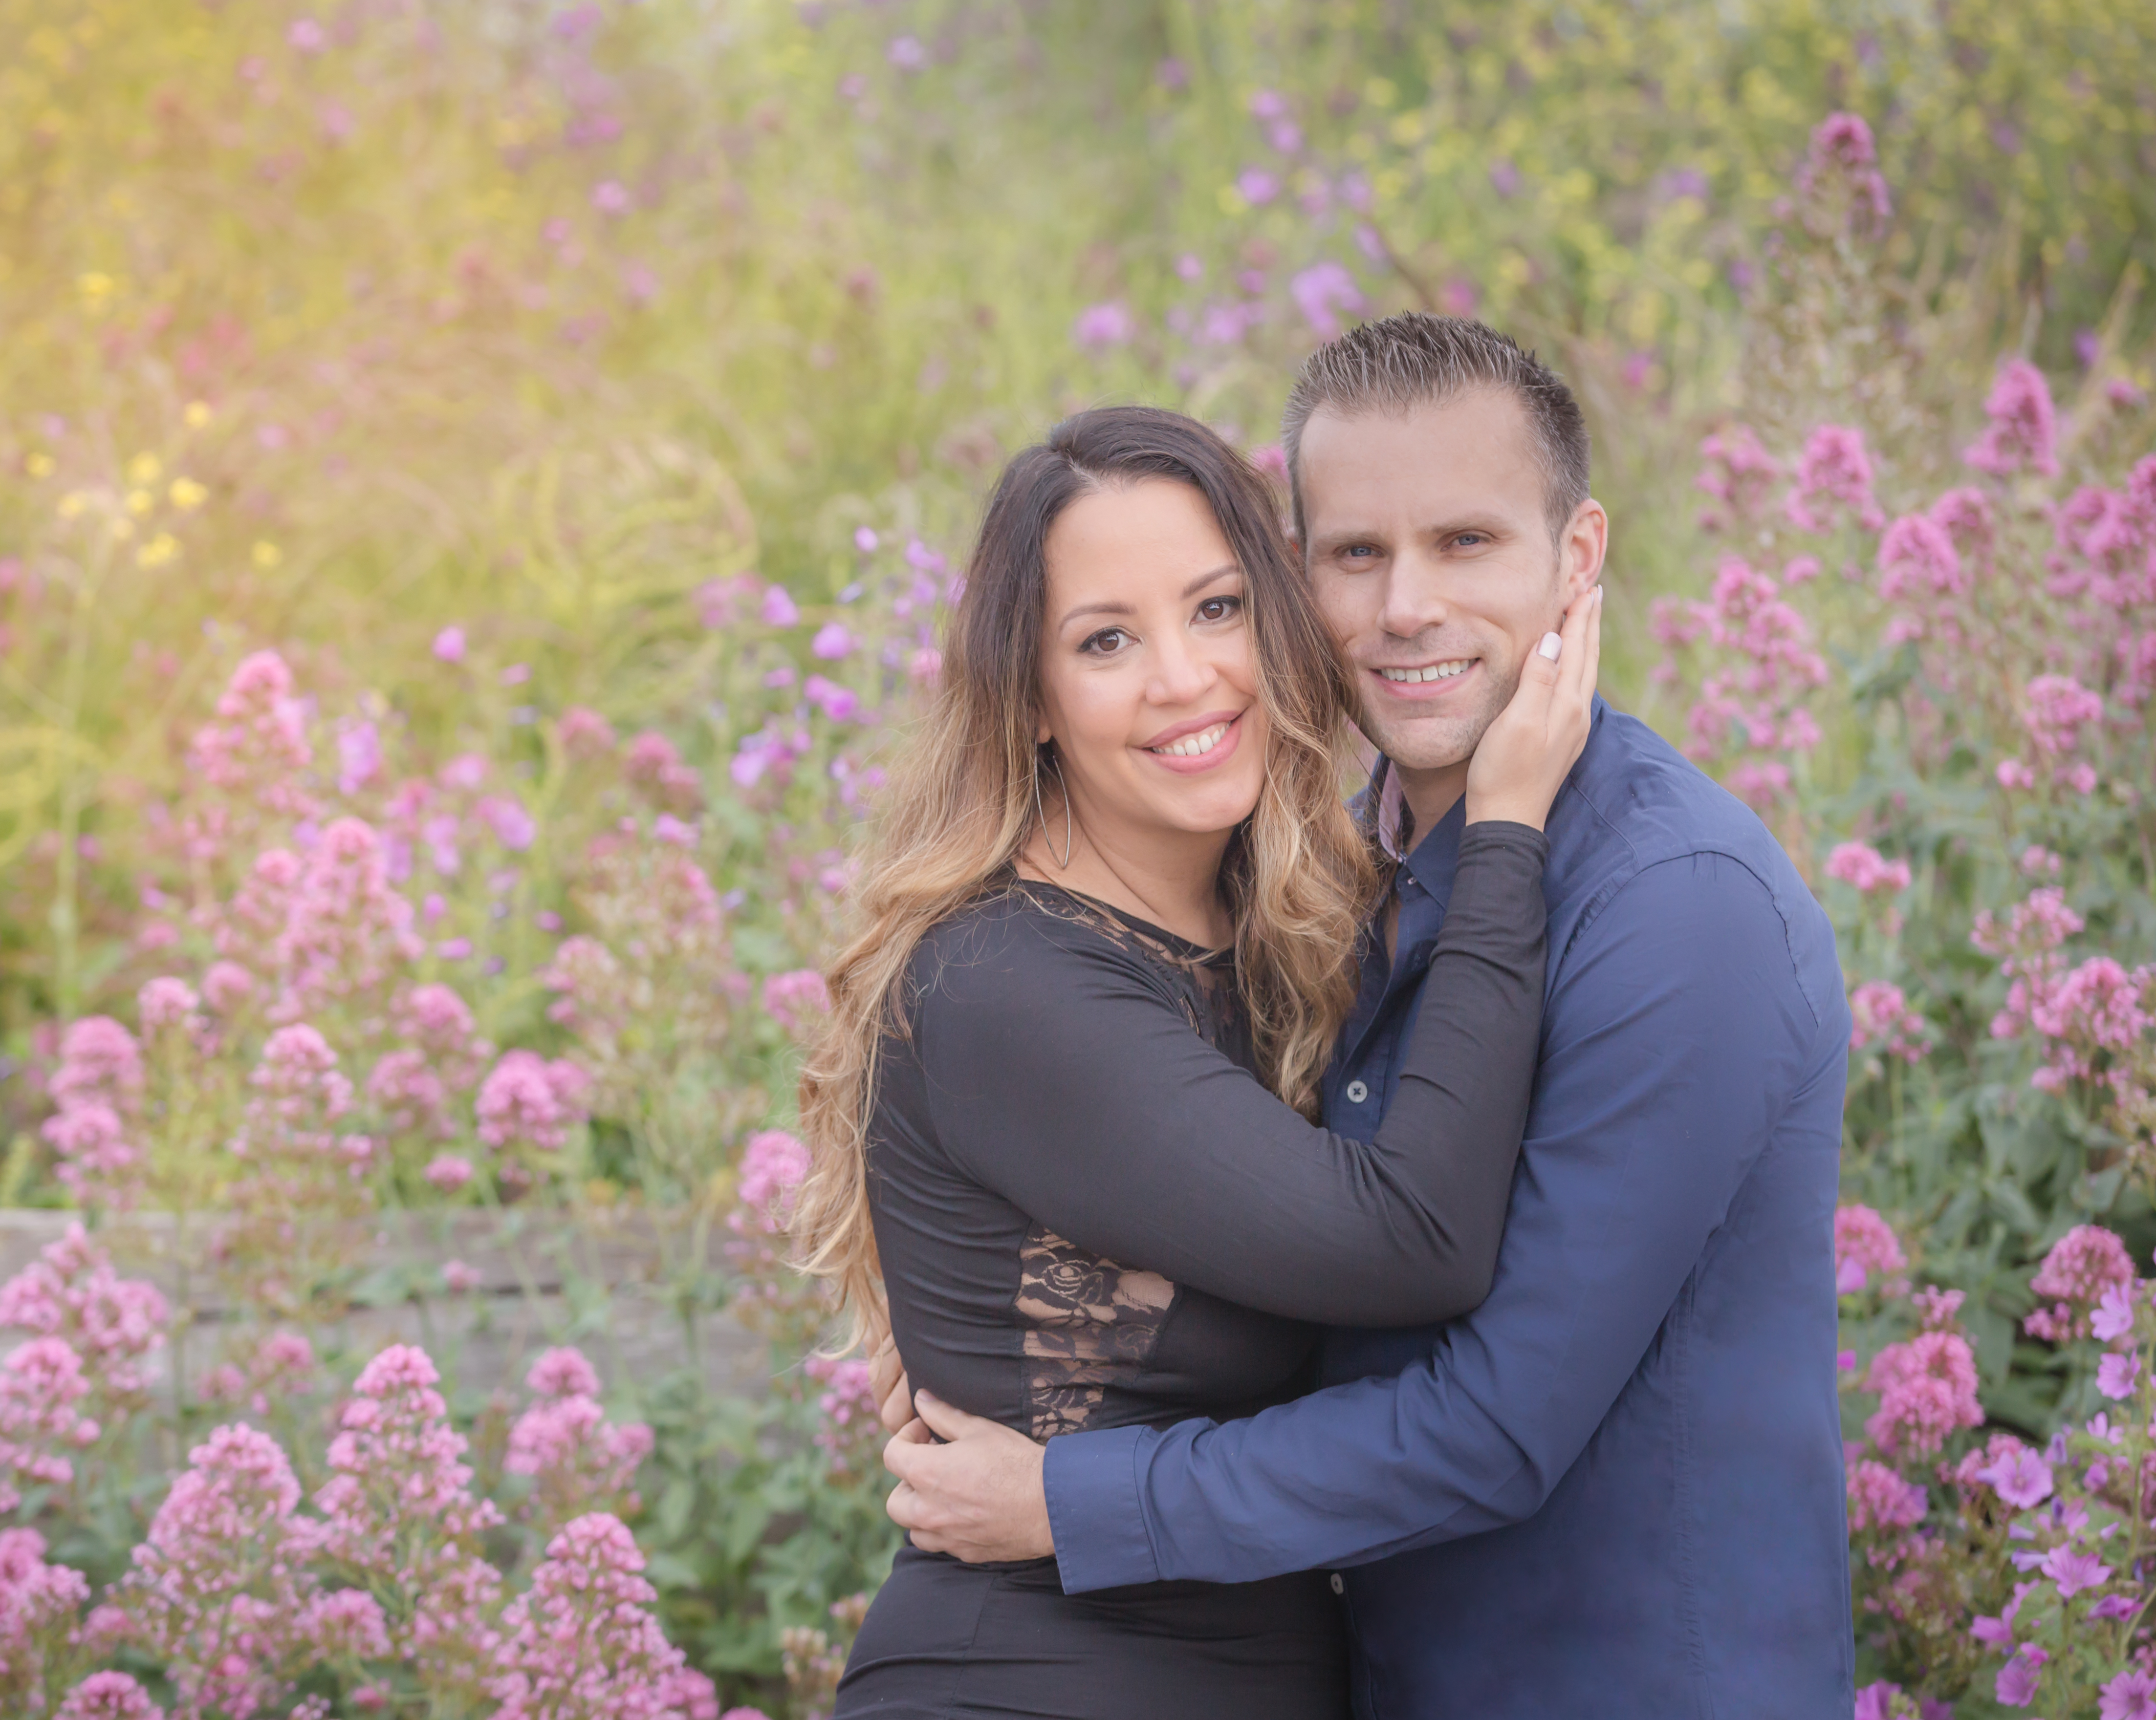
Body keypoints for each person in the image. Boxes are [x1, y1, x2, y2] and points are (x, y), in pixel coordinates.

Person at [876, 315, 1854, 1718]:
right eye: (1354, 554)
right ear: (1301, 582)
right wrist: (979, 1349)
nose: (1405, 608)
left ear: (1576, 559)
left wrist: (1068, 1495)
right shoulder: (1333, 882)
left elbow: (1498, 1429)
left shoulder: (1673, 907)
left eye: (1466, 544)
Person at [790, 402, 1601, 1719]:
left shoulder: (1270, 931)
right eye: (1106, 640)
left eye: (1217, 609)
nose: (1185, 677)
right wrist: (1507, 825)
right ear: (1033, 702)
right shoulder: (1011, 982)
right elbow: (1416, 1244)